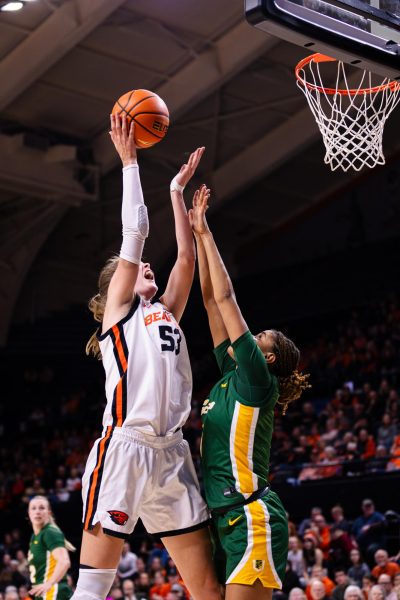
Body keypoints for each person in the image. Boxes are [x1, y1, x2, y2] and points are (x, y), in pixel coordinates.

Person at [72, 116, 220, 600]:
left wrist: (177, 191)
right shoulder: (119, 315)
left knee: (208, 591)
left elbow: (186, 259)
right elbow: (134, 228)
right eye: (136, 269)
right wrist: (130, 163)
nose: (147, 265)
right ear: (117, 285)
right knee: (93, 590)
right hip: (125, 449)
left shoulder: (166, 313)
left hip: (172, 453)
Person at [189, 185, 310, 598]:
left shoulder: (257, 380)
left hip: (251, 514)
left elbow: (225, 297)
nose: (253, 335)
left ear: (269, 359)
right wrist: (195, 237)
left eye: (262, 337)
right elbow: (208, 300)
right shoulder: (230, 371)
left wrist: (206, 234)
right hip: (222, 517)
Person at [27, 495, 73, 599]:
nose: (37, 511)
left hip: (53, 592)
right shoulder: (35, 536)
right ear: (29, 513)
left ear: (49, 513)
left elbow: (64, 562)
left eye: (42, 508)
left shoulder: (49, 532)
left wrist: (49, 583)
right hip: (43, 593)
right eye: (33, 508)